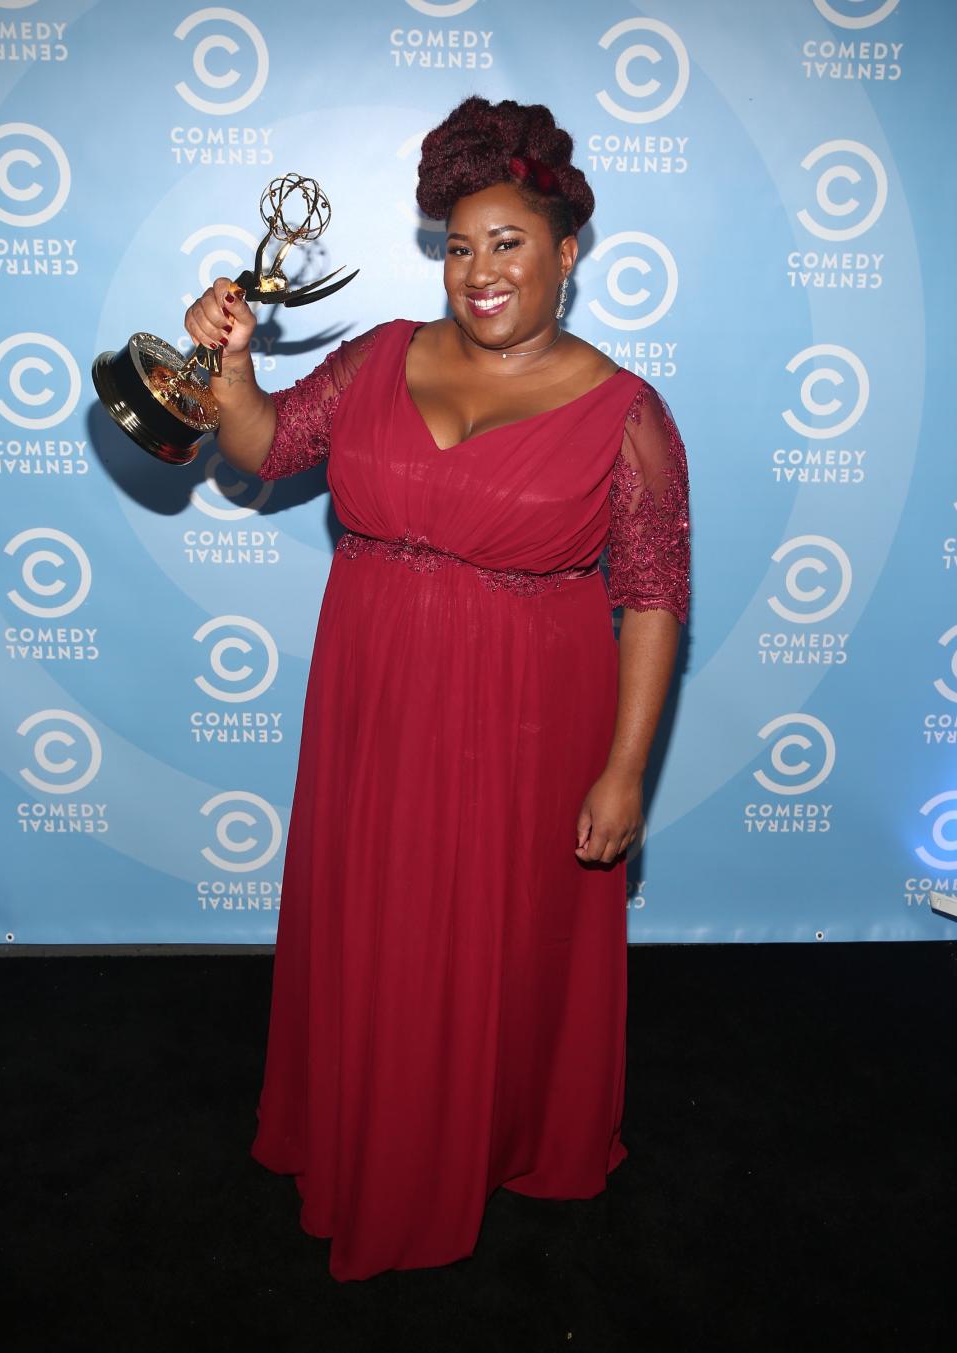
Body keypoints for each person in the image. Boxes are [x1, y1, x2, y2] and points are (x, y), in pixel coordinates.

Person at [183, 97, 691, 1283]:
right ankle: (361, 1133)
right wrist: (235, 365)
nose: (480, 271)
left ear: (568, 252)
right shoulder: (374, 357)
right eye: (460, 245)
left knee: (498, 949)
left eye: (508, 243)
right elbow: (261, 447)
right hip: (373, 701)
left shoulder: (628, 416)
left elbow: (656, 596)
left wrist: (624, 772)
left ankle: (484, 1142)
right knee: (378, 928)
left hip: (527, 721)